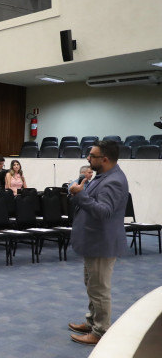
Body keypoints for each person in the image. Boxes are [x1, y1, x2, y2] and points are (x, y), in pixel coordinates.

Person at [67, 141, 129, 346]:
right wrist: (79, 192)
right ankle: (93, 321)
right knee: (92, 285)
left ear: (105, 159)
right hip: (94, 241)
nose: (88, 158)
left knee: (99, 289)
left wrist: (80, 195)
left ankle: (101, 331)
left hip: (102, 243)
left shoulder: (114, 181)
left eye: (92, 156)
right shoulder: (102, 176)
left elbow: (103, 211)